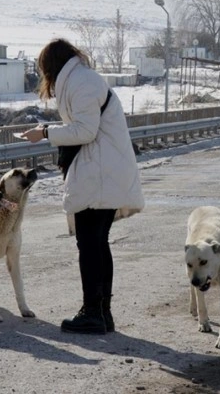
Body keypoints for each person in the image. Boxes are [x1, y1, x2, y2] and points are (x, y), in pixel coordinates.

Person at [21, 39, 144, 334]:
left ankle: (93, 312)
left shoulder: (81, 83)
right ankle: (102, 313)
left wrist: (45, 132)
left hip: (100, 174)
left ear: (51, 66)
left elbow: (85, 131)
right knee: (97, 243)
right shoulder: (83, 79)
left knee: (89, 244)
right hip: (103, 171)